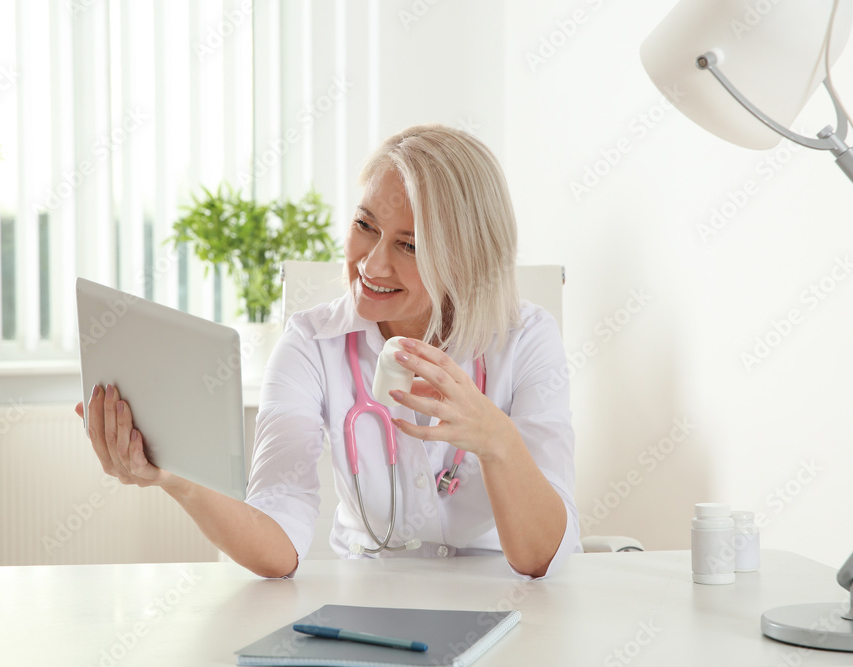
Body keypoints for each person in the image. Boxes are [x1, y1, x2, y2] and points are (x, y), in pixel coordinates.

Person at [75, 123, 579, 580]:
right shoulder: (311, 344)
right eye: (365, 225)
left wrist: (497, 439)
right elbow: (278, 539)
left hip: (504, 601)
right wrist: (176, 478)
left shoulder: (528, 339)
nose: (373, 264)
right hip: (369, 605)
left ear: (466, 259)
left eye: (410, 245)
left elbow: (539, 556)